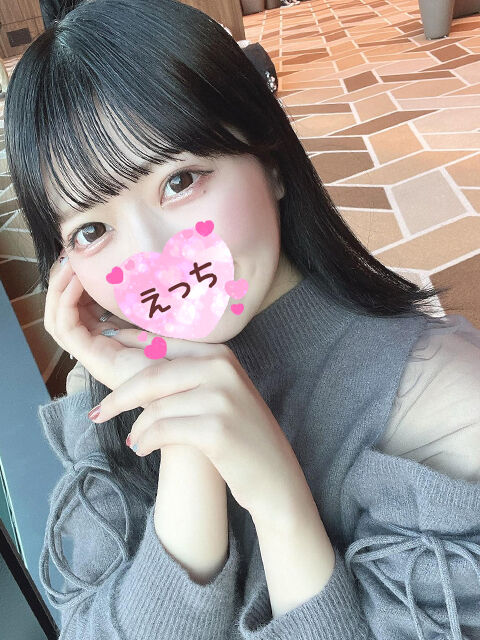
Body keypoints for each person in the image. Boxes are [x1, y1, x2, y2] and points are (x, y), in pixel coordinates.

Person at [5, 0, 480, 638]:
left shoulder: (443, 398)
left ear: (272, 162)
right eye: (92, 230)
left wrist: (281, 503)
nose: (152, 256)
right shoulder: (109, 387)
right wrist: (184, 447)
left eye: (180, 181)